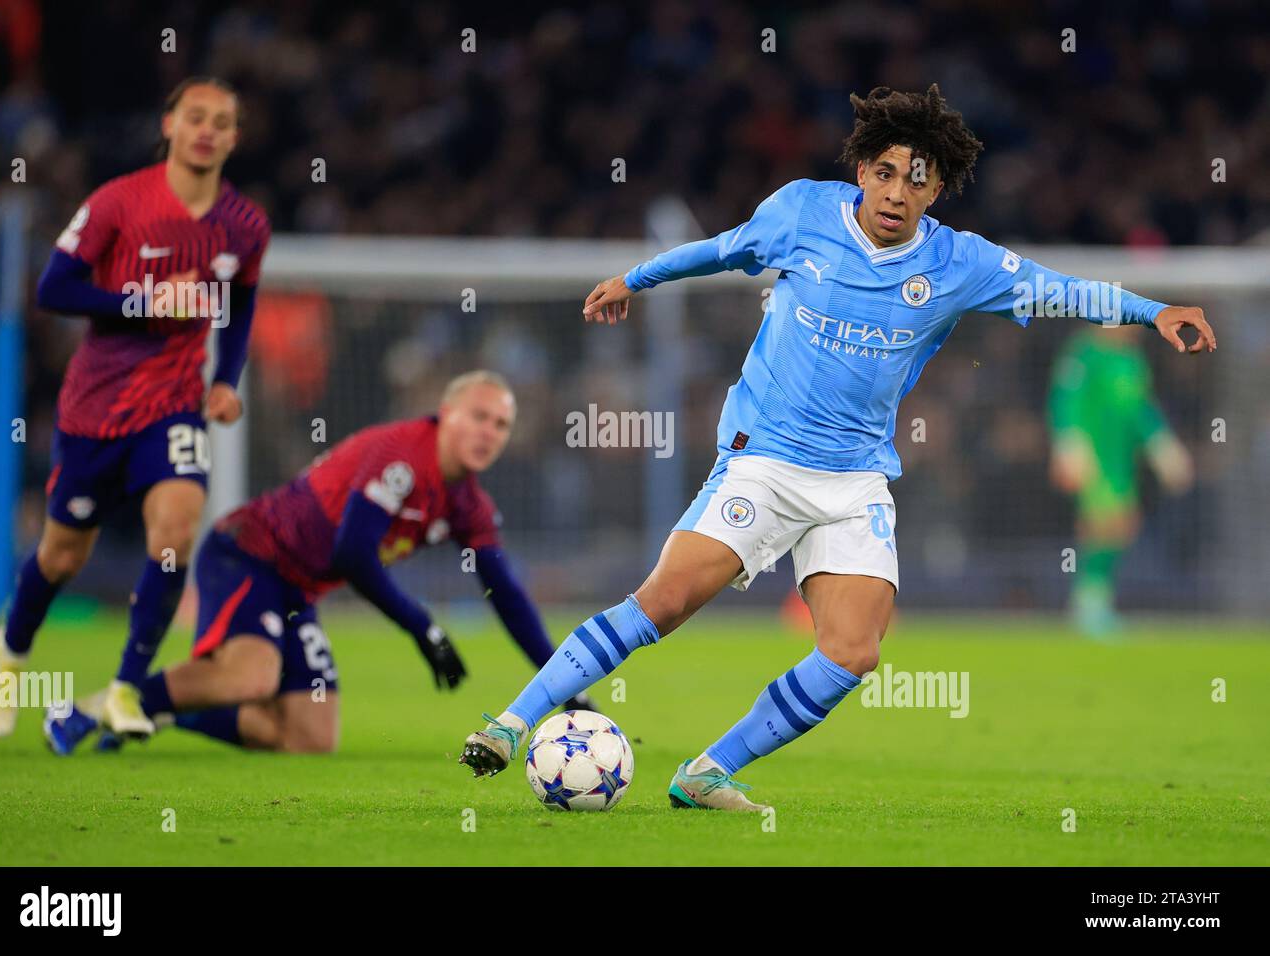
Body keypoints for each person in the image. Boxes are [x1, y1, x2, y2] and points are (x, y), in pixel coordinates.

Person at [457, 85, 1216, 810]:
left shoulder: (959, 264)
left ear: (936, 191)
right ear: (860, 171)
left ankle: (707, 770)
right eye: (883, 172)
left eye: (914, 181)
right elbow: (722, 250)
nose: (894, 192)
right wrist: (634, 277)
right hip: (766, 457)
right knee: (663, 603)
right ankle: (509, 722)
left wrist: (1154, 313)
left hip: (855, 479)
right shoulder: (802, 213)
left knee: (854, 652)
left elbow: (1061, 289)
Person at [45, 371, 591, 754]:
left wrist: (569, 686)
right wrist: (423, 628)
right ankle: (90, 709)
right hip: (249, 553)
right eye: (479, 416)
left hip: (296, 588)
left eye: (500, 424)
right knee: (249, 676)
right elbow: (351, 554)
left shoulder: (469, 503)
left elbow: (508, 597)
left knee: (307, 738)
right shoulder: (403, 457)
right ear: (446, 414)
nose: (488, 432)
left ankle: (159, 709)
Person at [0, 77, 270, 739]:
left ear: (234, 137)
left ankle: (124, 689)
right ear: (168, 125)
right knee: (61, 556)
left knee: (174, 534)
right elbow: (54, 288)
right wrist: (141, 303)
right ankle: (11, 653)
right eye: (194, 116)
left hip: (174, 407)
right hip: (96, 409)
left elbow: (242, 310)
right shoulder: (119, 201)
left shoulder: (245, 226)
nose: (207, 130)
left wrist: (226, 379)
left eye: (221, 121)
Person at [1048, 326, 1194, 636]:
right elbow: (1064, 399)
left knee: (1122, 525)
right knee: (1106, 523)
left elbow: (1141, 408)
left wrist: (1163, 446)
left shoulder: (1132, 360)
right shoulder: (1083, 353)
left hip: (1121, 461)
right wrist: (1069, 443)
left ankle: (1092, 602)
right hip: (1092, 455)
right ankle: (1089, 605)